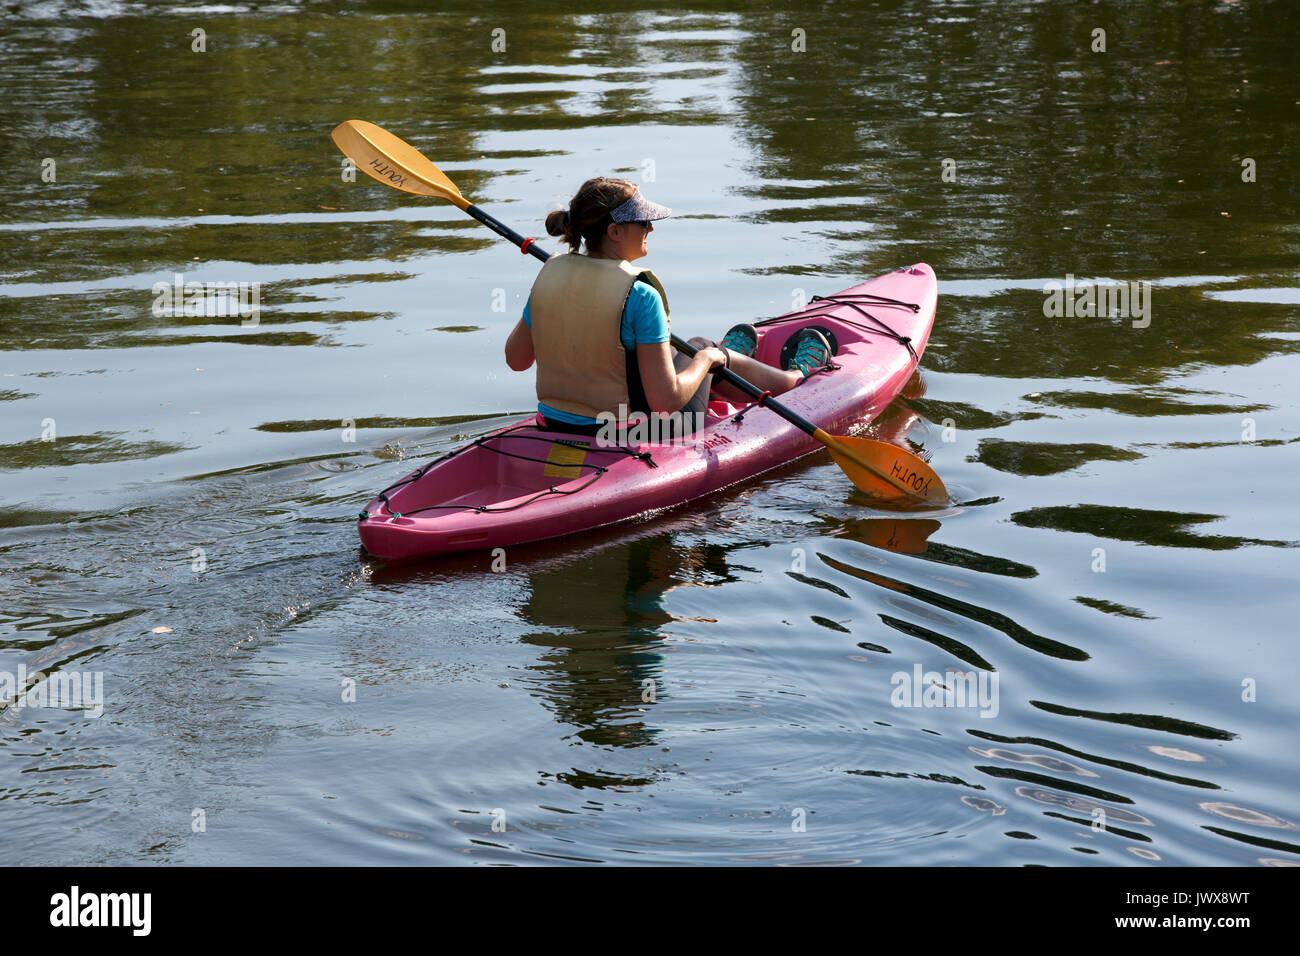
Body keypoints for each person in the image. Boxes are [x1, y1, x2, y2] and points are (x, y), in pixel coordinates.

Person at [504, 177, 832, 437]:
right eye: (643, 222)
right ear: (614, 231)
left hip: (553, 426)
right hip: (626, 434)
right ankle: (794, 379)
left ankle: (727, 366)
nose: (651, 228)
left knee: (690, 353)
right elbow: (665, 402)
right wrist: (706, 361)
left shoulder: (551, 273)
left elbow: (516, 360)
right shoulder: (641, 294)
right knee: (702, 350)